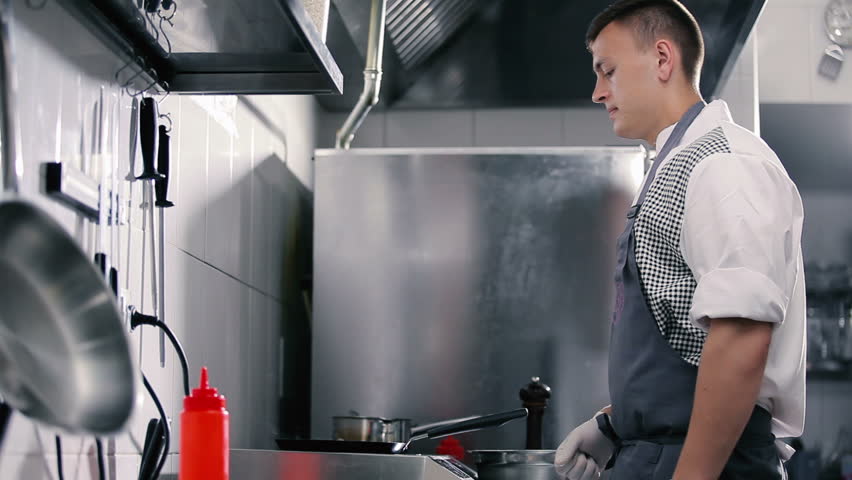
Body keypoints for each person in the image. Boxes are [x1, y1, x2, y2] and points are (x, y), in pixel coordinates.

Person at [553, 1, 805, 479]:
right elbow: (689, 344)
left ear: (663, 59)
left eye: (607, 71)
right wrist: (614, 426)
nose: (597, 92)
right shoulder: (677, 164)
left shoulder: (723, 164)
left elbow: (740, 337)